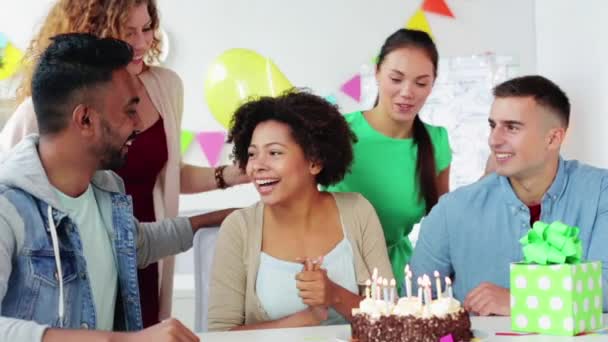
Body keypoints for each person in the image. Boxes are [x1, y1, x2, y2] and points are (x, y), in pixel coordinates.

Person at [0, 0, 249, 326]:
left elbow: (138, 241)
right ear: (85, 119)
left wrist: (230, 215)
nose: (138, 125)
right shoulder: (10, 211)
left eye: (146, 29)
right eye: (128, 111)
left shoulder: (106, 193)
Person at [410, 75, 608, 316]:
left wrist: (519, 301)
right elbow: (413, 304)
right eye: (493, 126)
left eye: (512, 127)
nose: (494, 140)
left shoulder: (600, 193)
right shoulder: (452, 210)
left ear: (554, 138)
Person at [207, 91, 394, 331]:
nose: (257, 166)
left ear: (314, 161)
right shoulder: (239, 228)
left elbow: (392, 321)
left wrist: (335, 295)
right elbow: (220, 335)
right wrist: (307, 319)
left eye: (274, 153)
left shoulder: (357, 211)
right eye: (252, 154)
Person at [325, 28, 452, 292]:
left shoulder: (436, 142)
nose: (407, 92)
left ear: (433, 84)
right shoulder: (337, 132)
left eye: (421, 83)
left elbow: (445, 223)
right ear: (377, 73)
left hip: (396, 281)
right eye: (396, 78)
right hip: (332, 277)